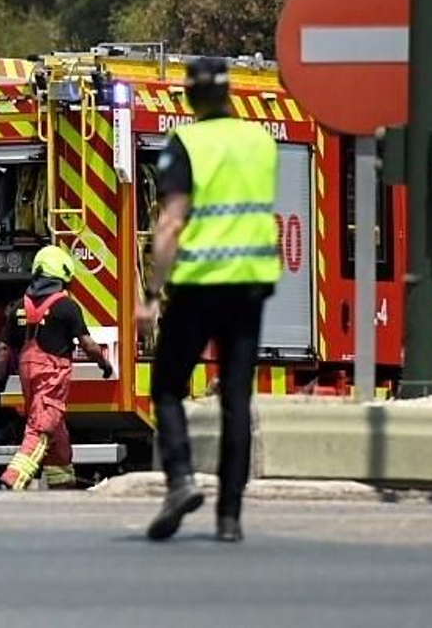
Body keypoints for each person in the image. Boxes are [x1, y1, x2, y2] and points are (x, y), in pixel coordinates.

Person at [141, 57, 280, 543]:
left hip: (200, 283)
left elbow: (171, 224)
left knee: (167, 384)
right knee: (236, 399)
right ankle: (230, 518)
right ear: (230, 94)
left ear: (188, 99)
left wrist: (151, 295)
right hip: (251, 283)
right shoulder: (262, 143)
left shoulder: (187, 144)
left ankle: (180, 481)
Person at [0, 244, 114, 490]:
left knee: (57, 433)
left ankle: (62, 484)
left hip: (27, 373)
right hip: (51, 374)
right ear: (64, 273)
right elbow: (88, 344)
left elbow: (2, 352)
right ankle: (13, 479)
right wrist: (103, 364)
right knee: (42, 428)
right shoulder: (66, 306)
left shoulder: (18, 307)